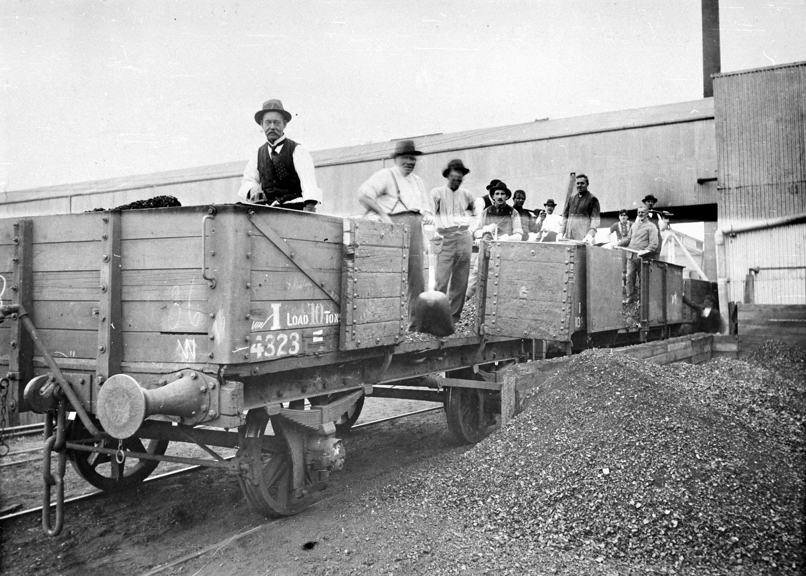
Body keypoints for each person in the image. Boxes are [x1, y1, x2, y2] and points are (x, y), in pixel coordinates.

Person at [357, 139, 433, 331]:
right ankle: (383, 326)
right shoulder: (386, 175)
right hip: (393, 228)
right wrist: (383, 215)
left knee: (417, 278)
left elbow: (425, 208)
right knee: (391, 277)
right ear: (396, 159)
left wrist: (429, 217)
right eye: (406, 158)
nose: (410, 162)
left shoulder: (417, 181)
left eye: (413, 158)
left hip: (415, 227)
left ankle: (415, 326)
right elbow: (363, 195)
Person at [237, 99, 322, 212]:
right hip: (268, 212)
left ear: (284, 124)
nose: (272, 127)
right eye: (268, 122)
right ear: (262, 124)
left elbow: (309, 183)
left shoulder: (297, 150)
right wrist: (253, 188)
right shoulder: (258, 154)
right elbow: (248, 180)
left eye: (276, 122)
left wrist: (309, 208)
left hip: (294, 210)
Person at [430, 159, 476, 322]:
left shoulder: (468, 195)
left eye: (460, 178)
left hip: (463, 236)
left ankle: (454, 317)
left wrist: (470, 228)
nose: (456, 181)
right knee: (441, 280)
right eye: (453, 178)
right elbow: (429, 213)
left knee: (461, 280)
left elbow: (474, 215)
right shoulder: (437, 193)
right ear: (448, 176)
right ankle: (436, 316)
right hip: (445, 237)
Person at [618, 205, 659, 305]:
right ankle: (630, 298)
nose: (640, 214)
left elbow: (654, 244)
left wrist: (645, 251)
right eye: (639, 212)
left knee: (643, 280)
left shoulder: (651, 227)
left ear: (647, 213)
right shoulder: (634, 225)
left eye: (642, 212)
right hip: (631, 257)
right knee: (629, 278)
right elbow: (628, 239)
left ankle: (642, 300)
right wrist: (618, 243)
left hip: (643, 258)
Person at [560, 174, 600, 243]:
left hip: (584, 238)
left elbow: (595, 220)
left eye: (582, 183)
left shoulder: (592, 199)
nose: (579, 185)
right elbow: (565, 217)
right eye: (578, 183)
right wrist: (561, 232)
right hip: (569, 237)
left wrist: (590, 235)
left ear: (587, 184)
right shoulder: (571, 199)